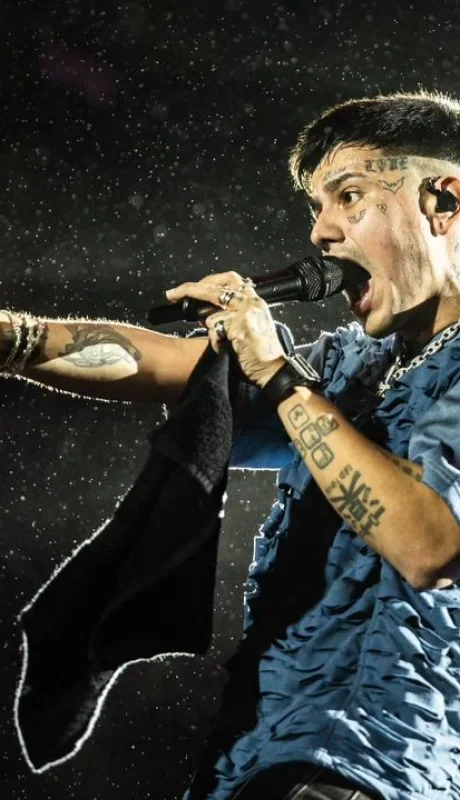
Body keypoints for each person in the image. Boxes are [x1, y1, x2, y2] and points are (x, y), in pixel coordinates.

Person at [4, 89, 460, 799]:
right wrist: (14, 337)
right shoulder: (353, 367)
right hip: (254, 764)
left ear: (445, 198)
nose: (321, 233)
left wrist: (278, 372)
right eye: (317, 208)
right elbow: (166, 367)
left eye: (350, 196)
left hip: (368, 768)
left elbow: (431, 547)